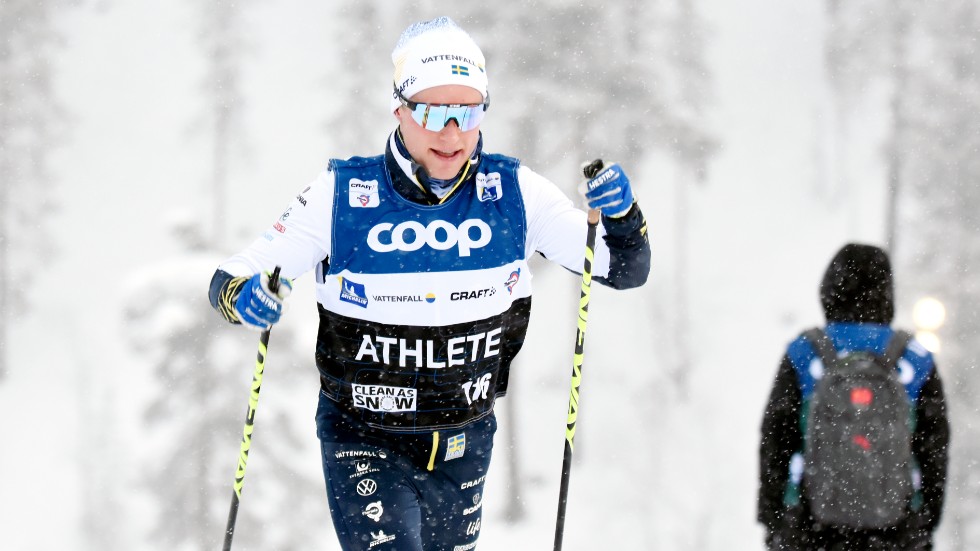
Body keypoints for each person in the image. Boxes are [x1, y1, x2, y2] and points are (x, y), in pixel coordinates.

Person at [208, 16, 650, 551]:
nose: (452, 133)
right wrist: (246, 299)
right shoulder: (342, 196)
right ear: (399, 108)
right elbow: (232, 279)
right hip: (365, 438)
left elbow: (624, 269)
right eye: (434, 112)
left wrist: (623, 215)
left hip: (465, 440)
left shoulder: (515, 193)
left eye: (469, 113)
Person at [757, 243, 949, 550]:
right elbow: (933, 451)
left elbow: (775, 442)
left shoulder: (805, 352)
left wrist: (774, 521)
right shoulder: (916, 358)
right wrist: (925, 523)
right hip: (895, 533)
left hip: (812, 530)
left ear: (829, 289)